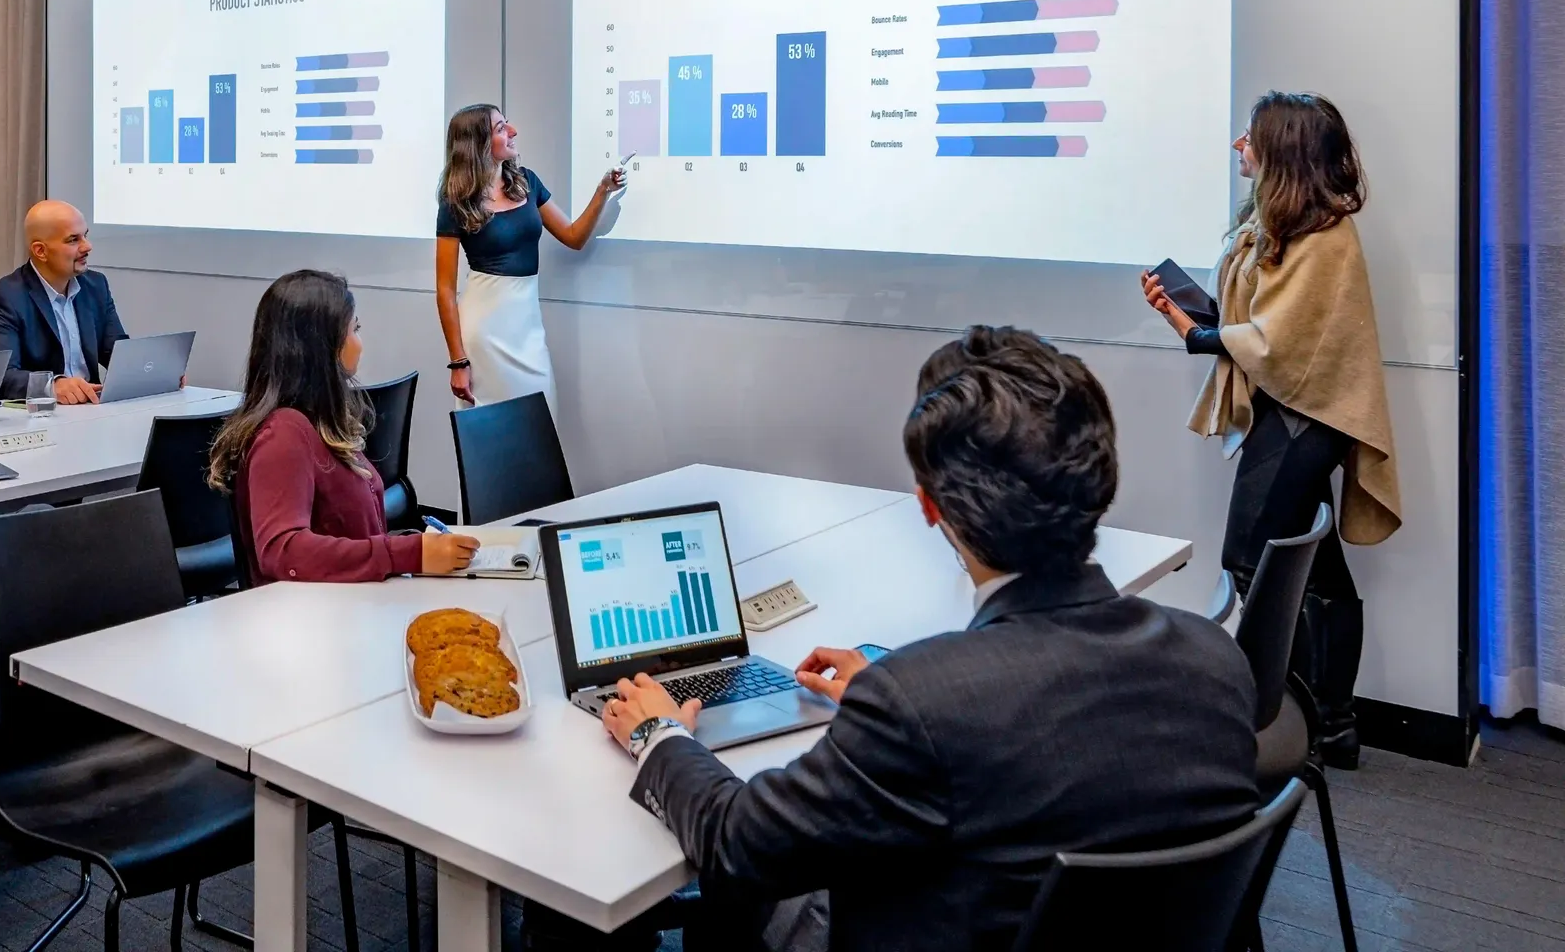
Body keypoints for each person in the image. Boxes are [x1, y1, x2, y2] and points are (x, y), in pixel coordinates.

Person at [599, 330, 1260, 952]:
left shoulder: (922, 703)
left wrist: (659, 735)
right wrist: (900, 700)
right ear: (1101, 480)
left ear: (928, 505)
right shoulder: (1215, 658)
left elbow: (736, 843)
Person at [1142, 91, 1401, 767]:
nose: (1239, 146)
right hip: (1294, 415)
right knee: (1318, 572)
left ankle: (1281, 723)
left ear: (1282, 151)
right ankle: (1332, 728)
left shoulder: (1325, 238)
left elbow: (1279, 344)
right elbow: (1262, 324)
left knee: (1253, 564)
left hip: (1303, 419)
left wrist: (1196, 334)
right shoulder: (1281, 225)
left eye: (1250, 138)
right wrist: (1191, 317)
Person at [210, 269, 478, 585]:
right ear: (323, 346)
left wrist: (411, 549)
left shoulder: (318, 422)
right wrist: (406, 553)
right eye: (355, 329)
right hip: (320, 611)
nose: (360, 343)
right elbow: (283, 552)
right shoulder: (282, 434)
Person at [434, 105, 623, 411]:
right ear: (478, 144)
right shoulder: (455, 201)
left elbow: (573, 236)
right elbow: (444, 290)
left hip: (528, 329)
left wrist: (603, 190)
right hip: (485, 333)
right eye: (500, 128)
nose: (513, 131)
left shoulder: (527, 182)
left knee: (542, 419)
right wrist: (458, 361)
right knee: (491, 428)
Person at [0, 200, 128, 403]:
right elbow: (2, 377)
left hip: (94, 407)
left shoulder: (96, 285)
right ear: (40, 251)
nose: (87, 246)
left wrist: (150, 369)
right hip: (44, 412)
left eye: (85, 235)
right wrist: (52, 385)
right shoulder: (5, 297)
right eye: (73, 240)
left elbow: (118, 352)